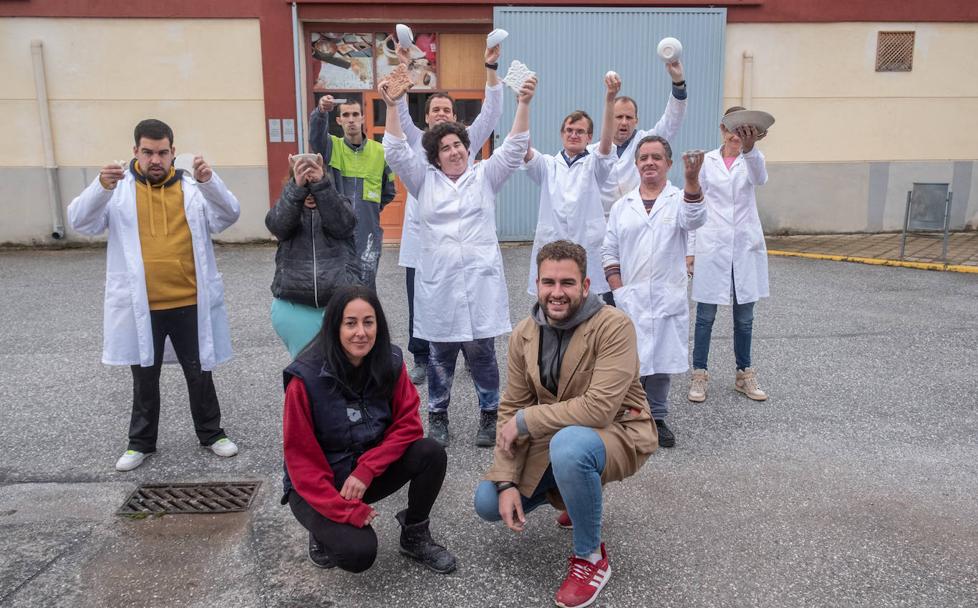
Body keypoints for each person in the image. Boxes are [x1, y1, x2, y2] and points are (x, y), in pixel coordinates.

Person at [475, 240, 657, 608]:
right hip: (559, 433)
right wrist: (508, 480)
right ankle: (577, 499)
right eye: (548, 282)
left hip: (619, 430)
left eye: (567, 283)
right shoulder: (525, 333)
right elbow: (512, 405)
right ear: (537, 284)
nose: (557, 293)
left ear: (585, 286)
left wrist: (528, 420)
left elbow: (599, 409)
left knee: (571, 448)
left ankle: (591, 557)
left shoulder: (614, 325)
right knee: (488, 503)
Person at [67, 118, 240, 471]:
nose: (155, 160)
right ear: (136, 152)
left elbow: (228, 215)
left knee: (199, 371)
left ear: (173, 152)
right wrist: (100, 187)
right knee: (145, 376)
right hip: (142, 304)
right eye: (148, 152)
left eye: (162, 152)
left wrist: (211, 183)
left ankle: (212, 434)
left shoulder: (191, 187)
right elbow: (80, 222)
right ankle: (140, 443)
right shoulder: (117, 188)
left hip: (190, 299)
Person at [380, 70, 537, 448]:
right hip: (441, 287)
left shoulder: (485, 176)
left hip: (480, 283)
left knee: (483, 354)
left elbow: (515, 146)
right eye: (445, 148)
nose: (454, 151)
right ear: (435, 156)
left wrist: (524, 103)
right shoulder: (423, 182)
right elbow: (396, 151)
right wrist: (391, 105)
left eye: (459, 145)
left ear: (468, 148)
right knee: (440, 356)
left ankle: (488, 415)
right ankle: (438, 416)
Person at [282, 286, 455, 573]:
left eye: (368, 322)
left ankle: (414, 535)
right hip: (316, 485)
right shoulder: (305, 379)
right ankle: (321, 529)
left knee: (431, 452)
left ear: (379, 324)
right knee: (358, 554)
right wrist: (345, 511)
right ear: (334, 326)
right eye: (350, 323)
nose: (360, 332)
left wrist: (367, 469)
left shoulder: (390, 362)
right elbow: (301, 462)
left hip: (362, 473)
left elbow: (409, 424)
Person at [395, 42, 504, 385]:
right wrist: (401, 68)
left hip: (464, 237)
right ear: (426, 116)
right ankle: (422, 357)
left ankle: (473, 351)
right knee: (421, 302)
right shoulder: (415, 140)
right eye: (435, 109)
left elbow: (491, 113)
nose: (441, 114)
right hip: (420, 239)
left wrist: (490, 69)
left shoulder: (464, 141)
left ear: (455, 117)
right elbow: (396, 117)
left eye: (446, 109)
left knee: (469, 293)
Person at [602, 136, 707, 448]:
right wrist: (618, 290)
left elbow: (695, 218)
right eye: (643, 157)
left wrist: (691, 181)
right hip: (630, 297)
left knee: (660, 362)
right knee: (629, 362)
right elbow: (610, 251)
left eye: (656, 157)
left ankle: (657, 417)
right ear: (636, 164)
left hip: (665, 296)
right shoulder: (623, 206)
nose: (649, 162)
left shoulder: (679, 199)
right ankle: (632, 416)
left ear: (668, 164)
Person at [686, 108, 770, 403]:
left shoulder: (752, 160)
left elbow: (760, 180)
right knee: (705, 317)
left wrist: (751, 149)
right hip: (713, 246)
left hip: (744, 248)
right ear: (722, 129)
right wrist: (691, 251)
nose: (736, 135)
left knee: (744, 318)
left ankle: (744, 374)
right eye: (732, 129)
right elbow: (697, 205)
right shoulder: (707, 162)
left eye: (744, 131)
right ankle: (699, 374)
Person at [524, 72, 619, 304]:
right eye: (569, 130)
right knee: (554, 302)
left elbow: (606, 145)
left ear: (589, 137)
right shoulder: (547, 165)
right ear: (562, 134)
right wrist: (523, 103)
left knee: (589, 305)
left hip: (587, 245)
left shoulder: (594, 163)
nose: (574, 135)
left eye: (580, 131)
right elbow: (522, 148)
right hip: (552, 245)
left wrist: (610, 99)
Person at [265, 153, 362, 358]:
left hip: (339, 304)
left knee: (344, 368)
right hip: (295, 306)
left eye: (314, 180)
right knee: (304, 371)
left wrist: (322, 188)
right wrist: (296, 191)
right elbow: (277, 227)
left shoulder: (338, 203)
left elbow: (344, 226)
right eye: (303, 181)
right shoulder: (288, 206)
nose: (310, 189)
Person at [309, 97, 395, 290]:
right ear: (339, 120)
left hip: (368, 233)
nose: (351, 119)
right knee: (337, 288)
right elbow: (315, 138)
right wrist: (321, 113)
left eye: (355, 114)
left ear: (363, 118)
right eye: (345, 115)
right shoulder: (332, 147)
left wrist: (369, 210)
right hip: (336, 233)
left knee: (366, 288)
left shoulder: (380, 151)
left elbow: (389, 191)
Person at [595, 60, 688, 211]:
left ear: (636, 121)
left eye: (629, 117)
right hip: (603, 225)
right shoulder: (594, 152)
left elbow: (673, 119)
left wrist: (678, 82)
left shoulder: (646, 142)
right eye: (619, 117)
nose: (624, 122)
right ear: (609, 118)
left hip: (638, 217)